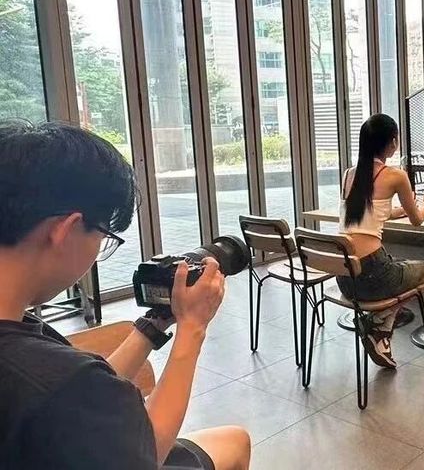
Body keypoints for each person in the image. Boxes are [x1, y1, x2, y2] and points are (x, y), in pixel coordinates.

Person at [0, 121, 251, 470]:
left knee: (230, 441)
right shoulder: (55, 379)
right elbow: (146, 454)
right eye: (104, 237)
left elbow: (87, 395)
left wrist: (153, 325)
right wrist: (193, 327)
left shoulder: (31, 350)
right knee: (235, 441)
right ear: (66, 231)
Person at [339, 114, 424, 369]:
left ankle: (380, 328)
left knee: (397, 263)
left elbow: (371, 211)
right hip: (373, 274)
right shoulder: (395, 176)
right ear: (393, 143)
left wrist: (396, 210)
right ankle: (380, 322)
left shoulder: (348, 174)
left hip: (345, 277)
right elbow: (417, 219)